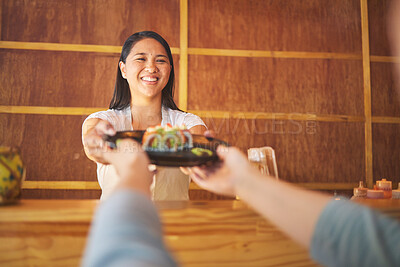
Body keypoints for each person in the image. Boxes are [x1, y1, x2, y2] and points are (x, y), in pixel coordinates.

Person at [82, 31, 207, 201]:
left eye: (160, 60)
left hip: (175, 224)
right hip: (119, 222)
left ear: (169, 71)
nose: (151, 68)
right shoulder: (106, 120)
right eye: (141, 59)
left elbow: (198, 146)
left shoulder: (187, 122)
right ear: (124, 69)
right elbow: (92, 144)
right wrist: (100, 143)